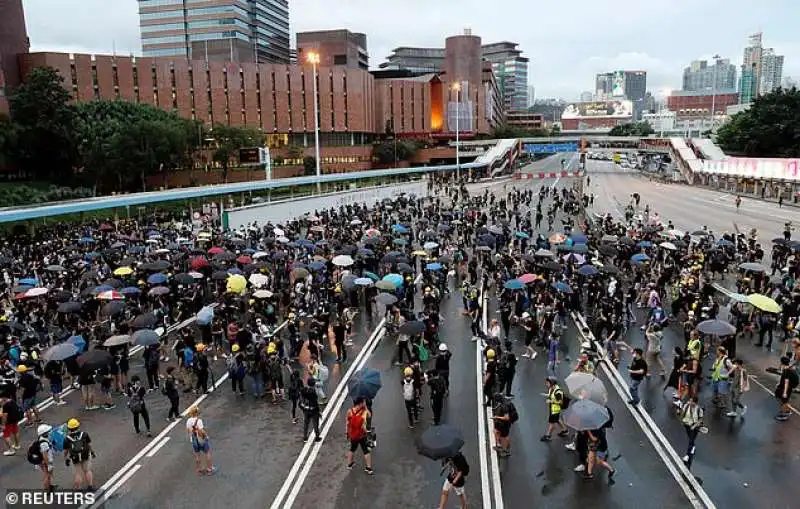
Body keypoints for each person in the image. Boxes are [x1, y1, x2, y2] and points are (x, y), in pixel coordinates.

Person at [63, 418, 95, 492]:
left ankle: (79, 488)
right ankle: (90, 486)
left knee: (78, 473)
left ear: (69, 428)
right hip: (85, 454)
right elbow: (89, 444)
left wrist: (66, 459)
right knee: (87, 470)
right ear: (78, 426)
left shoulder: (66, 439)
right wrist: (92, 452)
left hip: (75, 457)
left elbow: (65, 451)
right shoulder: (84, 434)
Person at [345, 396, 374, 475]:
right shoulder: (364, 412)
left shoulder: (350, 411)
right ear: (361, 403)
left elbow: (347, 423)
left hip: (353, 435)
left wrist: (347, 433)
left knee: (352, 449)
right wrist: (366, 407)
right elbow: (370, 415)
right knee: (366, 450)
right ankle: (369, 468)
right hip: (362, 435)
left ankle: (350, 464)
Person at [186, 406, 215, 475]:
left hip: (194, 440)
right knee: (207, 453)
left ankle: (199, 470)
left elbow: (188, 430)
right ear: (197, 413)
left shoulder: (188, 421)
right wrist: (206, 435)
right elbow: (201, 430)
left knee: (197, 455)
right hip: (201, 439)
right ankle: (209, 468)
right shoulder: (199, 421)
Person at [541, 377, 568, 441]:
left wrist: (551, 401)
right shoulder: (552, 388)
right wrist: (545, 395)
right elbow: (551, 395)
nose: (546, 384)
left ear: (552, 383)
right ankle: (565, 430)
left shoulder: (558, 392)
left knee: (552, 423)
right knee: (558, 419)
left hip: (555, 410)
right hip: (552, 408)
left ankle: (548, 435)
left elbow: (560, 402)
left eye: (548, 383)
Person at [680, 395, 704, 464]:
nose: (689, 402)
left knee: (691, 440)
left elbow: (701, 419)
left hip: (694, 427)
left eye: (691, 401)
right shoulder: (686, 406)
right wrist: (682, 420)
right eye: (689, 400)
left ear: (695, 402)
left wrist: (694, 426)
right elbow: (682, 413)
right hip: (687, 425)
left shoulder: (699, 409)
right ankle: (693, 446)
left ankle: (687, 455)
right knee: (690, 438)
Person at [32, 423, 55, 491]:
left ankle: (49, 486)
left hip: (44, 461)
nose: (49, 432)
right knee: (47, 475)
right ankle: (47, 489)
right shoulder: (44, 443)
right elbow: (44, 454)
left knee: (48, 474)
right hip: (44, 461)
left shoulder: (43, 439)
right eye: (48, 431)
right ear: (44, 433)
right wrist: (48, 465)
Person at [776, 356, 799, 422]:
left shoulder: (786, 371)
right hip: (790, 386)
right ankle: (787, 410)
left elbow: (786, 382)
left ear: (781, 362)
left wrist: (785, 392)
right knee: (784, 400)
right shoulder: (790, 367)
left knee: (784, 401)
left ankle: (784, 415)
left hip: (788, 387)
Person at [299, 378, 322, 442]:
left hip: (306, 410)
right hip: (313, 410)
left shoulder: (304, 390)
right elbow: (315, 402)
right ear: (313, 384)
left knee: (306, 423)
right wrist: (318, 411)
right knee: (315, 424)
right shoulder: (313, 392)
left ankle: (305, 437)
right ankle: (317, 437)